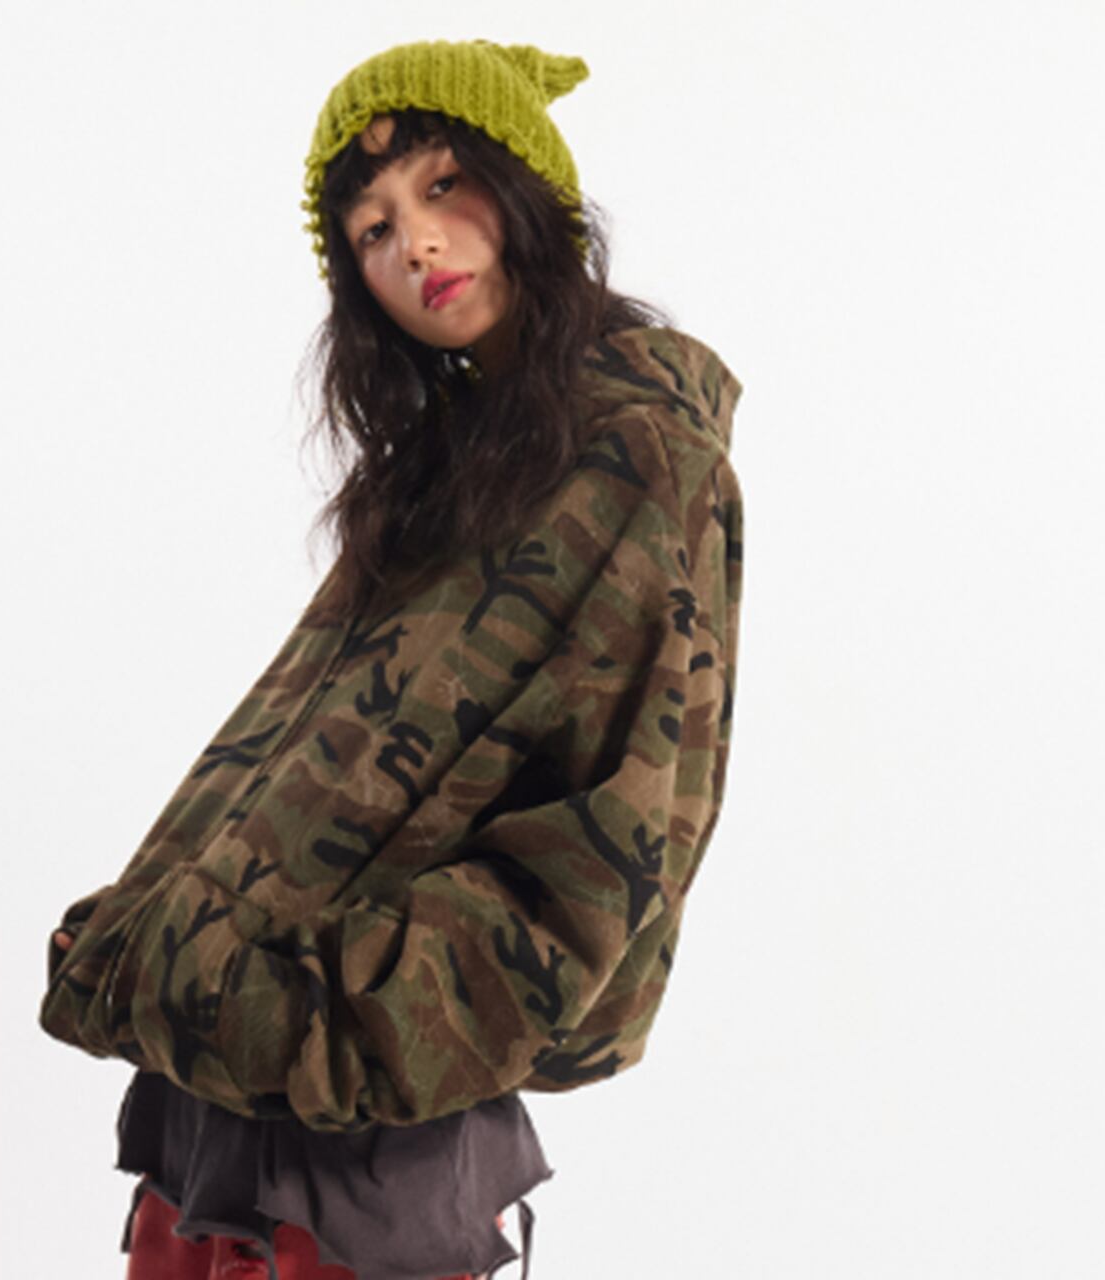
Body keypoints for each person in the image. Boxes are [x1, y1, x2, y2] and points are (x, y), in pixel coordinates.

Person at [42, 35, 746, 1280]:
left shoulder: (634, 459)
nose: (415, 244)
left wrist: (303, 1011)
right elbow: (291, 766)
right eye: (371, 229)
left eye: (443, 186)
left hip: (363, 1133)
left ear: (530, 190)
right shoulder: (444, 468)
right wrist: (162, 932)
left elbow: (601, 851)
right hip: (225, 1105)